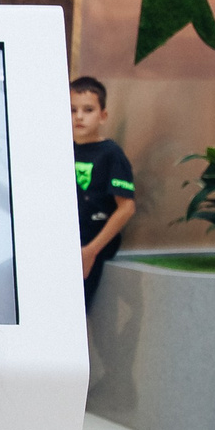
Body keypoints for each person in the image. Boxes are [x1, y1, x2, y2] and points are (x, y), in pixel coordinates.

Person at [70, 77, 136, 310]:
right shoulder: (61, 149)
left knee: (76, 308)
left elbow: (126, 208)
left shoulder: (111, 154)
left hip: (94, 240)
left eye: (88, 110)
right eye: (72, 110)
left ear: (103, 115)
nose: (79, 116)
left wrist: (91, 251)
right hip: (67, 239)